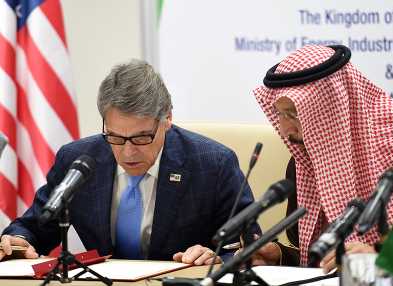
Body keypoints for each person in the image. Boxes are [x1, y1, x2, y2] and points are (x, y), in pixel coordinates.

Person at [0, 59, 257, 265]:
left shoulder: (213, 164)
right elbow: (35, 227)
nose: (128, 153)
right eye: (115, 137)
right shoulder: (78, 159)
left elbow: (247, 246)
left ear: (167, 118)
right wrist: (17, 242)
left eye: (142, 137)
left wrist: (216, 257)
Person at [250, 45, 393, 272]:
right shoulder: (303, 159)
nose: (285, 129)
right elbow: (320, 260)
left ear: (331, 106)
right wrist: (279, 256)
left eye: (293, 114)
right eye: (280, 114)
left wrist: (379, 259)